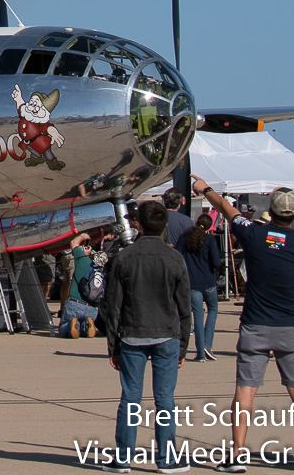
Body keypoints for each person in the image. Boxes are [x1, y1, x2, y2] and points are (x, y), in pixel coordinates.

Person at [193, 178, 294, 473]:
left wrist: (204, 189)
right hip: (291, 326)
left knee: (245, 391)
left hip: (256, 323)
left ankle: (238, 455)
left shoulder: (254, 233)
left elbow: (226, 209)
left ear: (270, 210)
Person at [100, 201, 192, 474]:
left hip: (133, 334)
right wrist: (184, 347)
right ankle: (166, 459)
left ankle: (123, 459)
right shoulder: (175, 258)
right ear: (165, 225)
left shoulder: (124, 257)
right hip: (167, 334)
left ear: (137, 223)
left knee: (130, 398)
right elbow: (184, 307)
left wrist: (113, 346)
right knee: (165, 399)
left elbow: (113, 305)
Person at [176, 212, 222, 362]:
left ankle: (200, 351)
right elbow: (215, 261)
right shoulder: (210, 239)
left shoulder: (184, 238)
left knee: (197, 314)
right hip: (208, 280)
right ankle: (207, 345)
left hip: (191, 281)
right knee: (213, 309)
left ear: (196, 222)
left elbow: (177, 258)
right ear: (209, 227)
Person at [58, 232, 100, 339]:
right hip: (92, 308)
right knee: (81, 325)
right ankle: (86, 324)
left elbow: (73, 243)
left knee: (63, 327)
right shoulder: (100, 268)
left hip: (75, 304)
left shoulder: (82, 259)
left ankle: (70, 325)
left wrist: (82, 237)